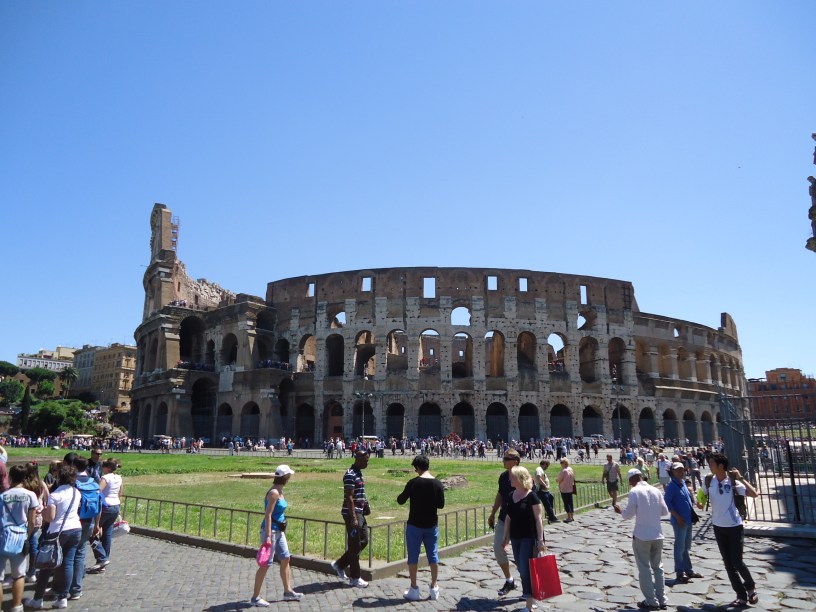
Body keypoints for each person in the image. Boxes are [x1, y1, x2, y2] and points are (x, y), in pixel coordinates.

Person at [704, 453, 759, 608]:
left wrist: (741, 478)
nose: (709, 466)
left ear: (721, 466)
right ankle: (741, 596)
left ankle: (750, 588)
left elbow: (754, 494)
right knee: (728, 564)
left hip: (734, 526)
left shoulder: (734, 481)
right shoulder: (708, 480)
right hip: (718, 526)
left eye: (712, 463)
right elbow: (703, 495)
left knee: (737, 561)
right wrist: (700, 502)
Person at [24, 465, 82, 611]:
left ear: (59, 477)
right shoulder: (76, 492)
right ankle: (62, 598)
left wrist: (43, 511)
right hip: (75, 528)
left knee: (46, 565)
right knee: (68, 563)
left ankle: (38, 599)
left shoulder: (55, 495)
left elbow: (50, 517)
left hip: (57, 532)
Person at [613, 468, 669, 611]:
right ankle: (662, 598)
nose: (630, 484)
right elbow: (664, 511)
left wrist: (620, 511)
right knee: (658, 568)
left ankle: (651, 601)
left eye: (629, 481)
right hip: (657, 534)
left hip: (642, 536)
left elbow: (628, 514)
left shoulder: (635, 491)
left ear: (633, 479)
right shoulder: (656, 490)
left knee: (644, 568)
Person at [250, 465, 303, 606]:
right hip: (271, 532)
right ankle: (255, 597)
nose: (290, 478)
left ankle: (287, 591)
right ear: (285, 477)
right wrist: (268, 536)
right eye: (289, 475)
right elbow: (268, 515)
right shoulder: (273, 493)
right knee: (265, 564)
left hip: (279, 531)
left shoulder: (280, 490)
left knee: (286, 558)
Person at [396, 454, 445, 601]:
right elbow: (441, 505)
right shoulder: (437, 483)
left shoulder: (413, 483)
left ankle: (414, 588)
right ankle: (434, 587)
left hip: (415, 525)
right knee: (433, 555)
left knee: (413, 556)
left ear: (417, 467)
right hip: (431, 524)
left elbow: (400, 500)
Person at [503, 466, 546, 612]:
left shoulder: (532, 496)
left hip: (529, 537)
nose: (510, 479)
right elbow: (508, 518)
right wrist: (505, 537)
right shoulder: (511, 495)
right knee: (522, 569)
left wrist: (540, 540)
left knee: (525, 569)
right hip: (515, 537)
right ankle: (531, 598)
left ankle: (529, 604)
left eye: (513, 477)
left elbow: (538, 520)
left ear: (520, 479)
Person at [1, 465, 40, 612]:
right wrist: (28, 537)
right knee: (18, 575)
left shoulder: (3, 496)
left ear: (10, 477)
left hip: (2, 536)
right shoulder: (30, 495)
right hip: (20, 537)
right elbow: (32, 521)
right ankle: (17, 606)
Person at [331, 449, 371, 588]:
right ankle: (355, 578)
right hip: (352, 513)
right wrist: (353, 517)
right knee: (354, 545)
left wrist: (365, 504)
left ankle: (340, 564)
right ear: (358, 459)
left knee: (363, 540)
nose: (367, 463)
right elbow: (349, 497)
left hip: (360, 512)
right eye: (366, 460)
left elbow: (359, 493)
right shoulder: (350, 474)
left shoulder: (358, 473)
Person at [487, 449, 520, 597]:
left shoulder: (523, 475)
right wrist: (493, 513)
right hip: (503, 518)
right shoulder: (503, 476)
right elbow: (500, 494)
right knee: (498, 549)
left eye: (507, 459)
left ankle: (529, 588)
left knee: (521, 555)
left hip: (519, 520)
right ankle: (509, 580)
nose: (503, 461)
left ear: (516, 461)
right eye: (504, 458)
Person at [68, 457, 101, 599]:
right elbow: (99, 506)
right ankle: (77, 586)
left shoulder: (72, 482)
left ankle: (63, 587)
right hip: (89, 521)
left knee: (69, 555)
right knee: (80, 553)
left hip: (73, 522)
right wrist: (97, 524)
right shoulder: (93, 482)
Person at [664, 462, 702, 584]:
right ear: (673, 472)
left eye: (682, 470)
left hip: (687, 519)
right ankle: (679, 573)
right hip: (679, 521)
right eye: (677, 470)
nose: (680, 472)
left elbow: (688, 498)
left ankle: (689, 570)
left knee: (686, 547)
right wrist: (676, 516)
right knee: (679, 548)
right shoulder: (672, 486)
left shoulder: (683, 483)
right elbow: (667, 502)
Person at [88, 459, 123, 574]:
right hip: (115, 505)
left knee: (93, 533)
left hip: (105, 506)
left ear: (107, 468)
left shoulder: (105, 478)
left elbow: (98, 492)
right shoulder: (119, 478)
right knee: (107, 534)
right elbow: (120, 493)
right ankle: (104, 560)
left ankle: (101, 557)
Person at [555, 458, 576, 522]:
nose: (560, 464)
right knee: (570, 502)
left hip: (564, 489)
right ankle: (572, 516)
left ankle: (569, 517)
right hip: (570, 488)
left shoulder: (564, 471)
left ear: (564, 463)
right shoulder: (570, 469)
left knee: (566, 503)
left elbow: (559, 479)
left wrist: (557, 480)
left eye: (561, 462)